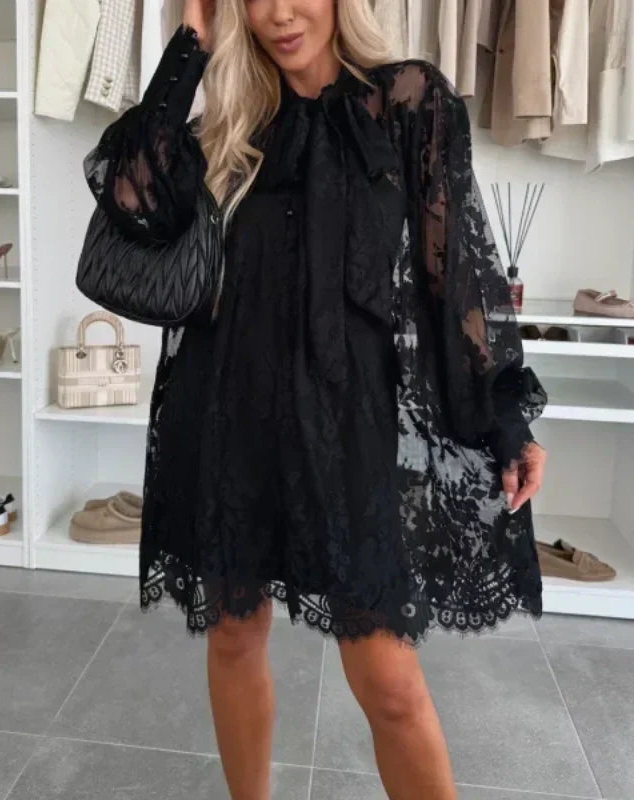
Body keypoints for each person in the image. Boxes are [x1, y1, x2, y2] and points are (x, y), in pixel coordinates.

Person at [83, 1, 549, 798]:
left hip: (348, 426)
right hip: (227, 412)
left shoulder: (408, 101)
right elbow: (130, 195)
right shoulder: (227, 126)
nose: (278, 13)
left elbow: (457, 277)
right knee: (234, 637)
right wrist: (192, 41)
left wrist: (506, 415)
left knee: (390, 683)